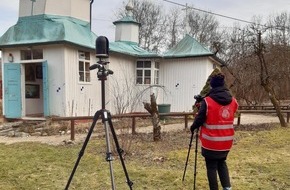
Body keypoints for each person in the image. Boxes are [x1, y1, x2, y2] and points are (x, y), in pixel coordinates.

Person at [190, 73, 238, 190]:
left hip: (211, 142)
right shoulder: (233, 101)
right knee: (222, 163)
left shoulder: (207, 101)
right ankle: (227, 188)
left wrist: (192, 127)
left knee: (211, 167)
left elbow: (200, 119)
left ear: (212, 86)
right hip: (226, 142)